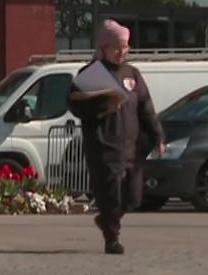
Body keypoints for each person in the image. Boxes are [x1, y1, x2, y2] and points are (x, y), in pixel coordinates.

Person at [66, 19, 165, 255]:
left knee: (133, 196)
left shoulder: (133, 74)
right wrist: (102, 104)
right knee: (110, 195)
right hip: (103, 145)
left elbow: (146, 108)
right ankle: (112, 238)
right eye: (117, 47)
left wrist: (157, 135)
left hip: (131, 146)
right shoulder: (90, 73)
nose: (122, 52)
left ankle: (108, 220)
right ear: (104, 47)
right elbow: (74, 104)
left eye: (126, 47)